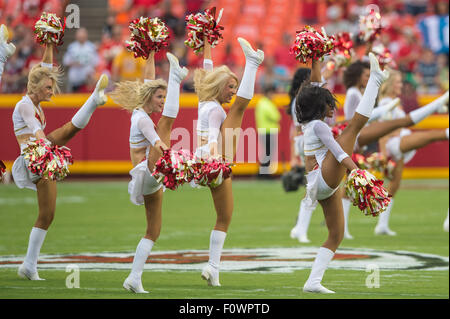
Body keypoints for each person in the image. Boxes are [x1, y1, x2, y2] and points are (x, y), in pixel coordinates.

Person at [13, 41, 108, 280]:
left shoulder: (34, 100)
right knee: (67, 131)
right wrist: (46, 147)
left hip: (40, 156)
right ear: (34, 87)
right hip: (32, 157)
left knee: (48, 214)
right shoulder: (24, 105)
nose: (51, 91)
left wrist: (48, 42)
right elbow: (35, 129)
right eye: (47, 87)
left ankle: (28, 266)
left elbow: (46, 68)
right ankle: (93, 100)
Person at [297, 53, 389, 293]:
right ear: (320, 107)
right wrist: (356, 171)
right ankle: (375, 81)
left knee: (335, 234)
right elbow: (337, 151)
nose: (332, 107)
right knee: (354, 128)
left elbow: (314, 87)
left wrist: (315, 59)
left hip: (319, 184)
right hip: (321, 177)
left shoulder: (309, 124)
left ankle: (313, 281)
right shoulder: (318, 125)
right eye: (329, 104)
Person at [109, 50, 188, 293]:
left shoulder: (140, 112)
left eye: (165, 97)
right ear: (148, 98)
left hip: (147, 176)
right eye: (160, 97)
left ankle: (134, 277)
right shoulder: (143, 120)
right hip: (146, 170)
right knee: (166, 123)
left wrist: (151, 51)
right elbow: (158, 143)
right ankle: (175, 78)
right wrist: (179, 160)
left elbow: (147, 82)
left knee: (153, 230)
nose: (162, 101)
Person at [193, 36, 263, 286]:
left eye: (235, 87)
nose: (232, 92)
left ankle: (214, 270)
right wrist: (215, 159)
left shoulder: (205, 101)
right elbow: (212, 135)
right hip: (216, 160)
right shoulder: (213, 109)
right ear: (219, 87)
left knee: (223, 216)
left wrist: (207, 42)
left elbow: (208, 72)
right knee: (240, 110)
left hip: (208, 162)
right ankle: (253, 62)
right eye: (230, 87)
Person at [374, 70, 449, 236]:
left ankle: (382, 225)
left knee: (394, 185)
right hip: (394, 143)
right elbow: (383, 130)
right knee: (429, 136)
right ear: (390, 84)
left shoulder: (394, 101)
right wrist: (384, 153)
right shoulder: (386, 102)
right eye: (398, 82)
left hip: (399, 141)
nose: (401, 85)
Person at [255, 84, 281, 176]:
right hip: (268, 131)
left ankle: (263, 172)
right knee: (268, 153)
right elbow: (276, 116)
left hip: (265, 131)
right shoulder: (266, 103)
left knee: (266, 153)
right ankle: (264, 173)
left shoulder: (262, 102)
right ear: (269, 93)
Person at [63, 28, 99, 92]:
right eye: (80, 36)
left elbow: (96, 62)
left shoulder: (91, 47)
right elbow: (66, 61)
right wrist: (75, 63)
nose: (81, 37)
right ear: (76, 36)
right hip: (75, 79)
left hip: (87, 80)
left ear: (86, 36)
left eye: (83, 35)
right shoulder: (71, 47)